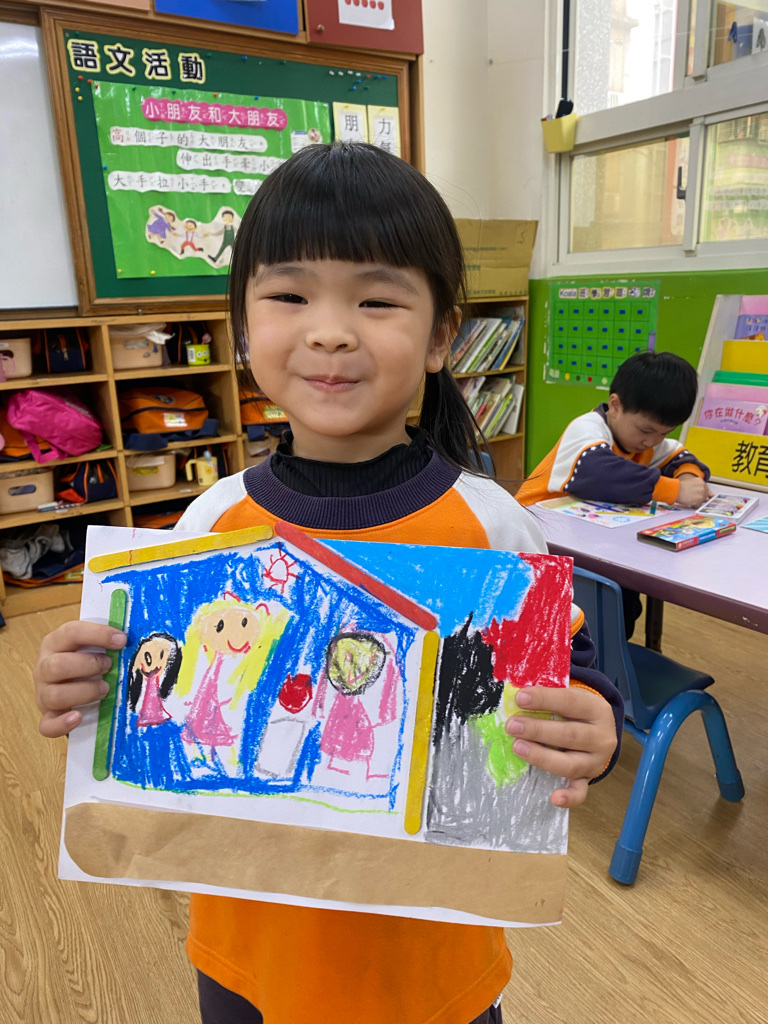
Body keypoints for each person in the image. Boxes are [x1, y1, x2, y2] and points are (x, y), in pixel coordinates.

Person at [33, 142, 622, 1024]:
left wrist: (594, 724)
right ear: (241, 327)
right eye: (289, 295)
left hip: (431, 967)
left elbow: (565, 678)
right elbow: (157, 690)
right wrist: (88, 681)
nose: (330, 331)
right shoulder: (212, 522)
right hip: (247, 952)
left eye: (376, 300)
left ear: (441, 336)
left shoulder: (494, 526)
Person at [516, 350, 711, 636]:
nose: (652, 441)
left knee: (624, 599)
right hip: (537, 540)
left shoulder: (647, 441)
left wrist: (689, 477)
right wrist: (675, 490)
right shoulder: (587, 427)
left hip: (586, 541)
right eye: (646, 430)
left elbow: (681, 457)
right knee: (602, 601)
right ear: (615, 405)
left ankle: (612, 649)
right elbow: (599, 473)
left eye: (664, 432)